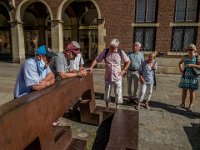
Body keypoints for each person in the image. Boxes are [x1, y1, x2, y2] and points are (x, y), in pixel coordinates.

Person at [89, 39, 130, 109]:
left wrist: (124, 70)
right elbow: (97, 59)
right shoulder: (106, 51)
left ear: (117, 47)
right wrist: (91, 67)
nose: (111, 49)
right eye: (110, 47)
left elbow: (128, 61)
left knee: (118, 92)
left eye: (113, 47)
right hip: (108, 76)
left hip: (117, 77)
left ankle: (117, 107)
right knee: (107, 93)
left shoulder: (120, 52)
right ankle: (107, 106)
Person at [178, 44, 200, 111]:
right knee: (184, 90)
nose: (190, 51)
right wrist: (181, 70)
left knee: (191, 91)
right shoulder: (184, 56)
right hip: (186, 75)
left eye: (192, 49)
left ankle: (190, 105)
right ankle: (182, 104)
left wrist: (192, 65)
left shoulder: (197, 57)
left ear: (195, 50)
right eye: (189, 49)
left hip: (194, 76)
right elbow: (180, 63)